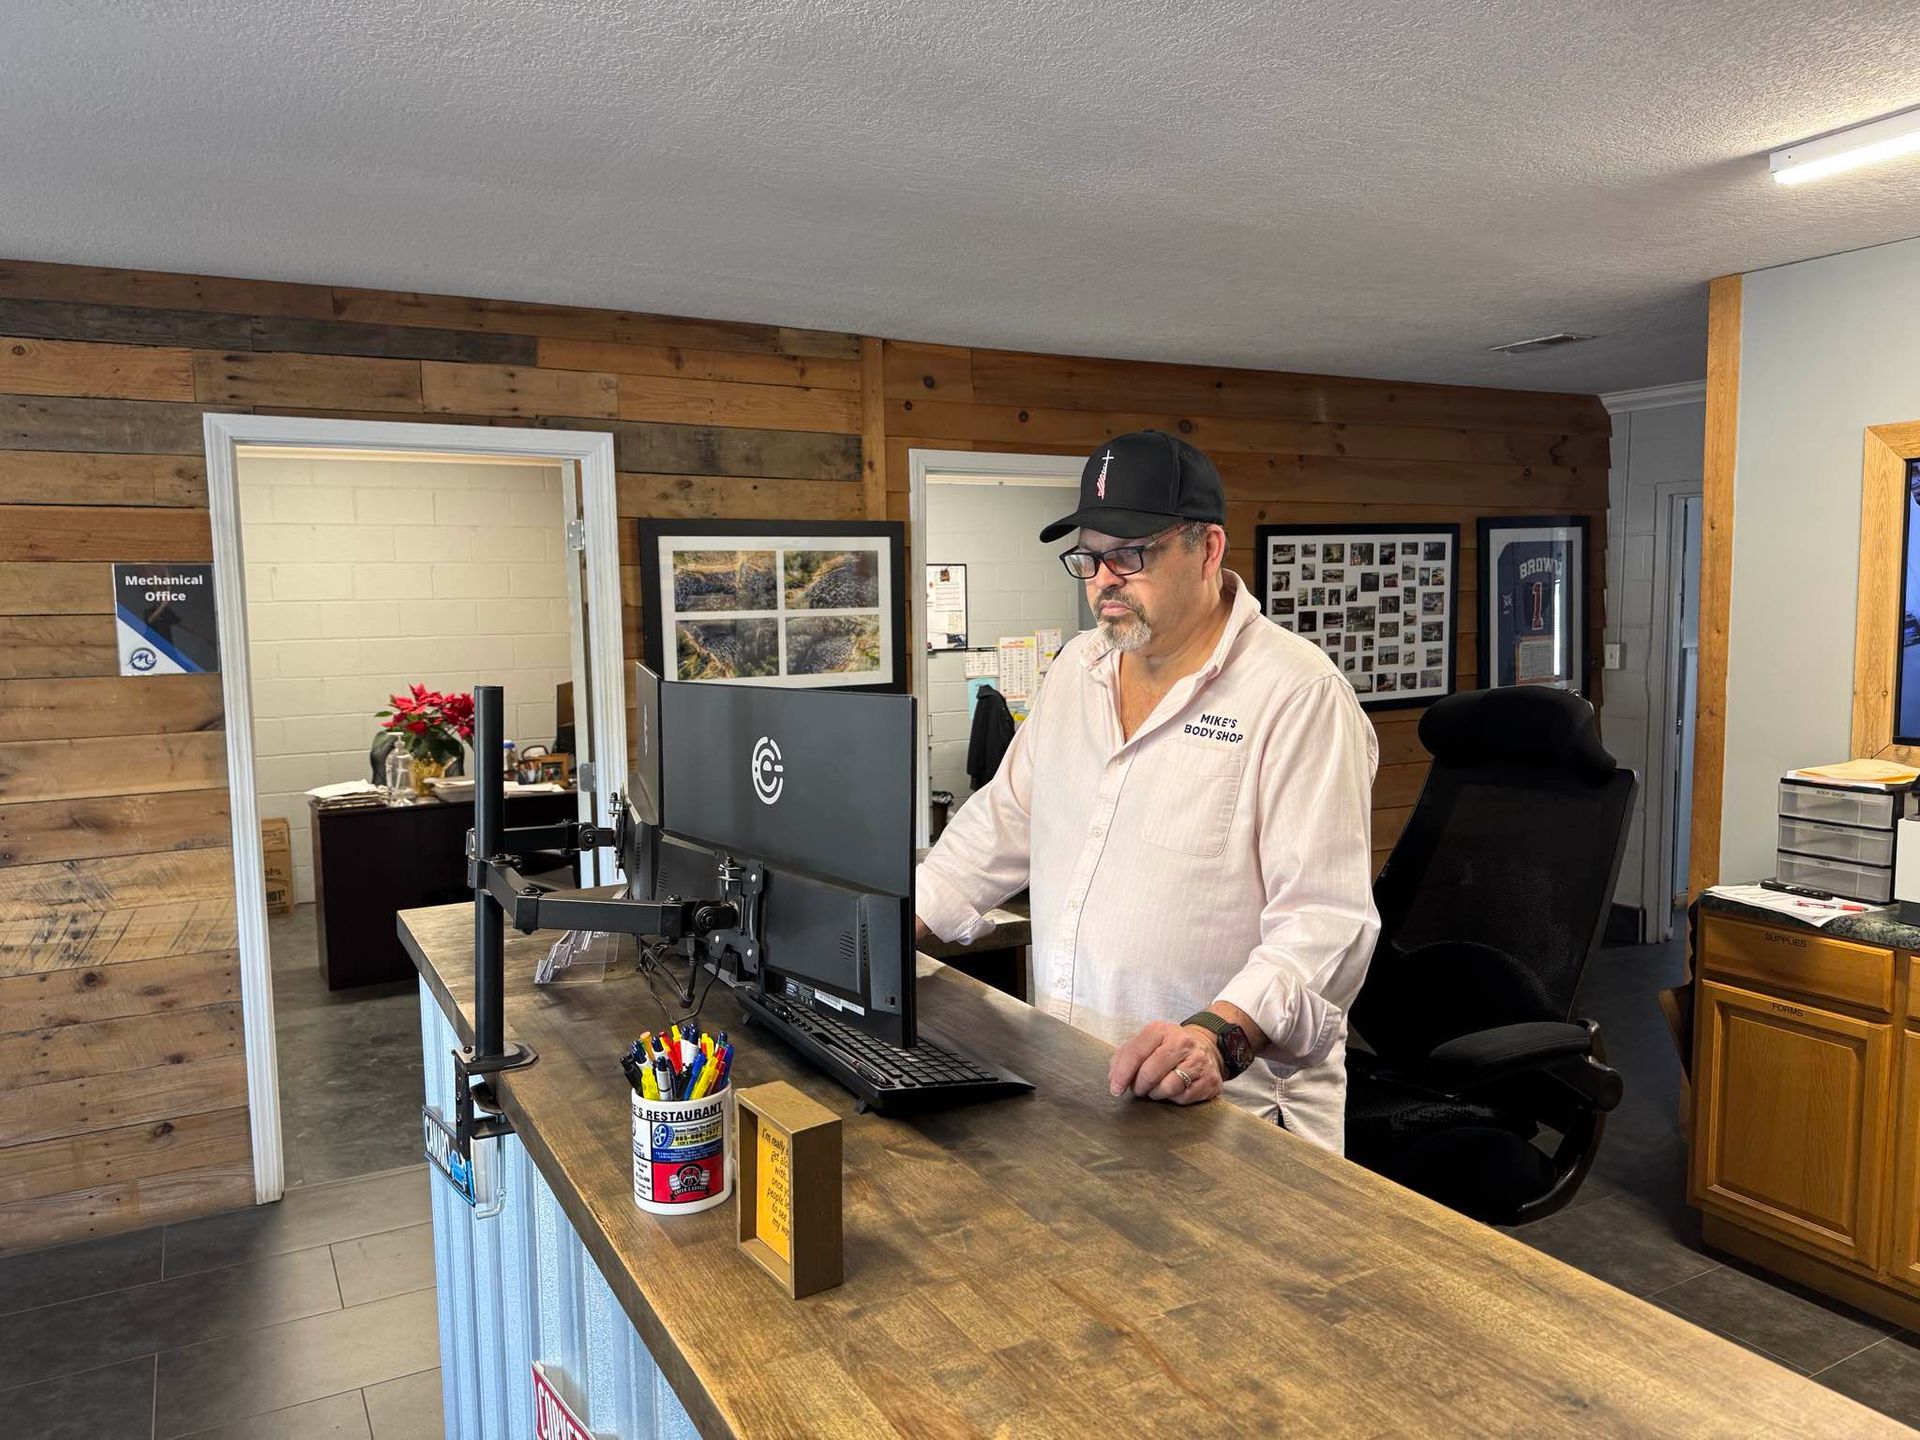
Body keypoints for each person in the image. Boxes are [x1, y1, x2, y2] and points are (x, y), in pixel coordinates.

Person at [914, 430, 1380, 1152]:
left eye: (1129, 554)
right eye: (1088, 558)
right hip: (1078, 1087)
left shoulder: (1298, 696)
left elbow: (1326, 925)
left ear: (1209, 550)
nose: (1103, 579)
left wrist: (1217, 1036)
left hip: (1231, 1116)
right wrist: (882, 929)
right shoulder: (1077, 668)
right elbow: (1001, 825)